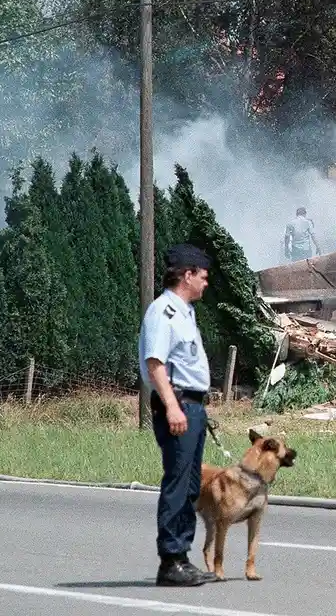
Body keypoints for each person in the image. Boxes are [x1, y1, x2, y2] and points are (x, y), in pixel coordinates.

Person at [139, 243, 216, 587]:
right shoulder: (163, 312)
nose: (206, 283)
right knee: (177, 482)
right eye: (203, 276)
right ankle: (171, 560)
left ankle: (182, 558)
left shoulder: (184, 311)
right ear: (187, 275)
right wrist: (172, 406)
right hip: (179, 405)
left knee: (190, 485)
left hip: (193, 406)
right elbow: (155, 363)